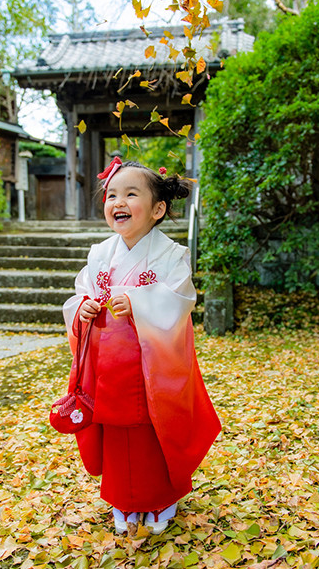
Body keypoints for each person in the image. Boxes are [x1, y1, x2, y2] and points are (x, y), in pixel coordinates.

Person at [62, 157, 221, 534]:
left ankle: (163, 498)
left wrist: (138, 302)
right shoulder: (100, 253)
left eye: (131, 194)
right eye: (111, 195)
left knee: (154, 429)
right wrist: (83, 308)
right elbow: (81, 291)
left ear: (158, 209)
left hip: (153, 365)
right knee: (116, 429)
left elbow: (180, 301)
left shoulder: (172, 255)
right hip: (110, 364)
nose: (118, 202)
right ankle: (123, 499)